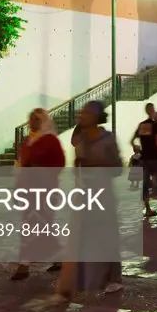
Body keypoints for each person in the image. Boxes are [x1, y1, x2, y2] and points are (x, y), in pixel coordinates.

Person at [57, 100, 123, 301]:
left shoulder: (108, 138)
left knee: (107, 235)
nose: (81, 116)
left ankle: (114, 277)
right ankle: (78, 280)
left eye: (86, 113)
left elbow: (118, 167)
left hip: (103, 193)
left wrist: (96, 163)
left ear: (96, 116)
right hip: (83, 193)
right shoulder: (80, 137)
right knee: (80, 235)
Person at [12, 108, 66, 280]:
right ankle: (59, 258)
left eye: (36, 119)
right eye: (30, 119)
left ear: (43, 120)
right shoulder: (28, 140)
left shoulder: (50, 140)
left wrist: (40, 170)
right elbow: (21, 163)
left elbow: (60, 163)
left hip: (45, 190)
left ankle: (24, 265)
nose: (32, 122)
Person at [132, 102, 157, 218]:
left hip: (144, 157)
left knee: (145, 184)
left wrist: (135, 147)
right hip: (155, 157)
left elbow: (132, 140)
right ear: (153, 111)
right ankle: (156, 184)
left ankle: (147, 208)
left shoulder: (142, 125)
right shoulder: (156, 125)